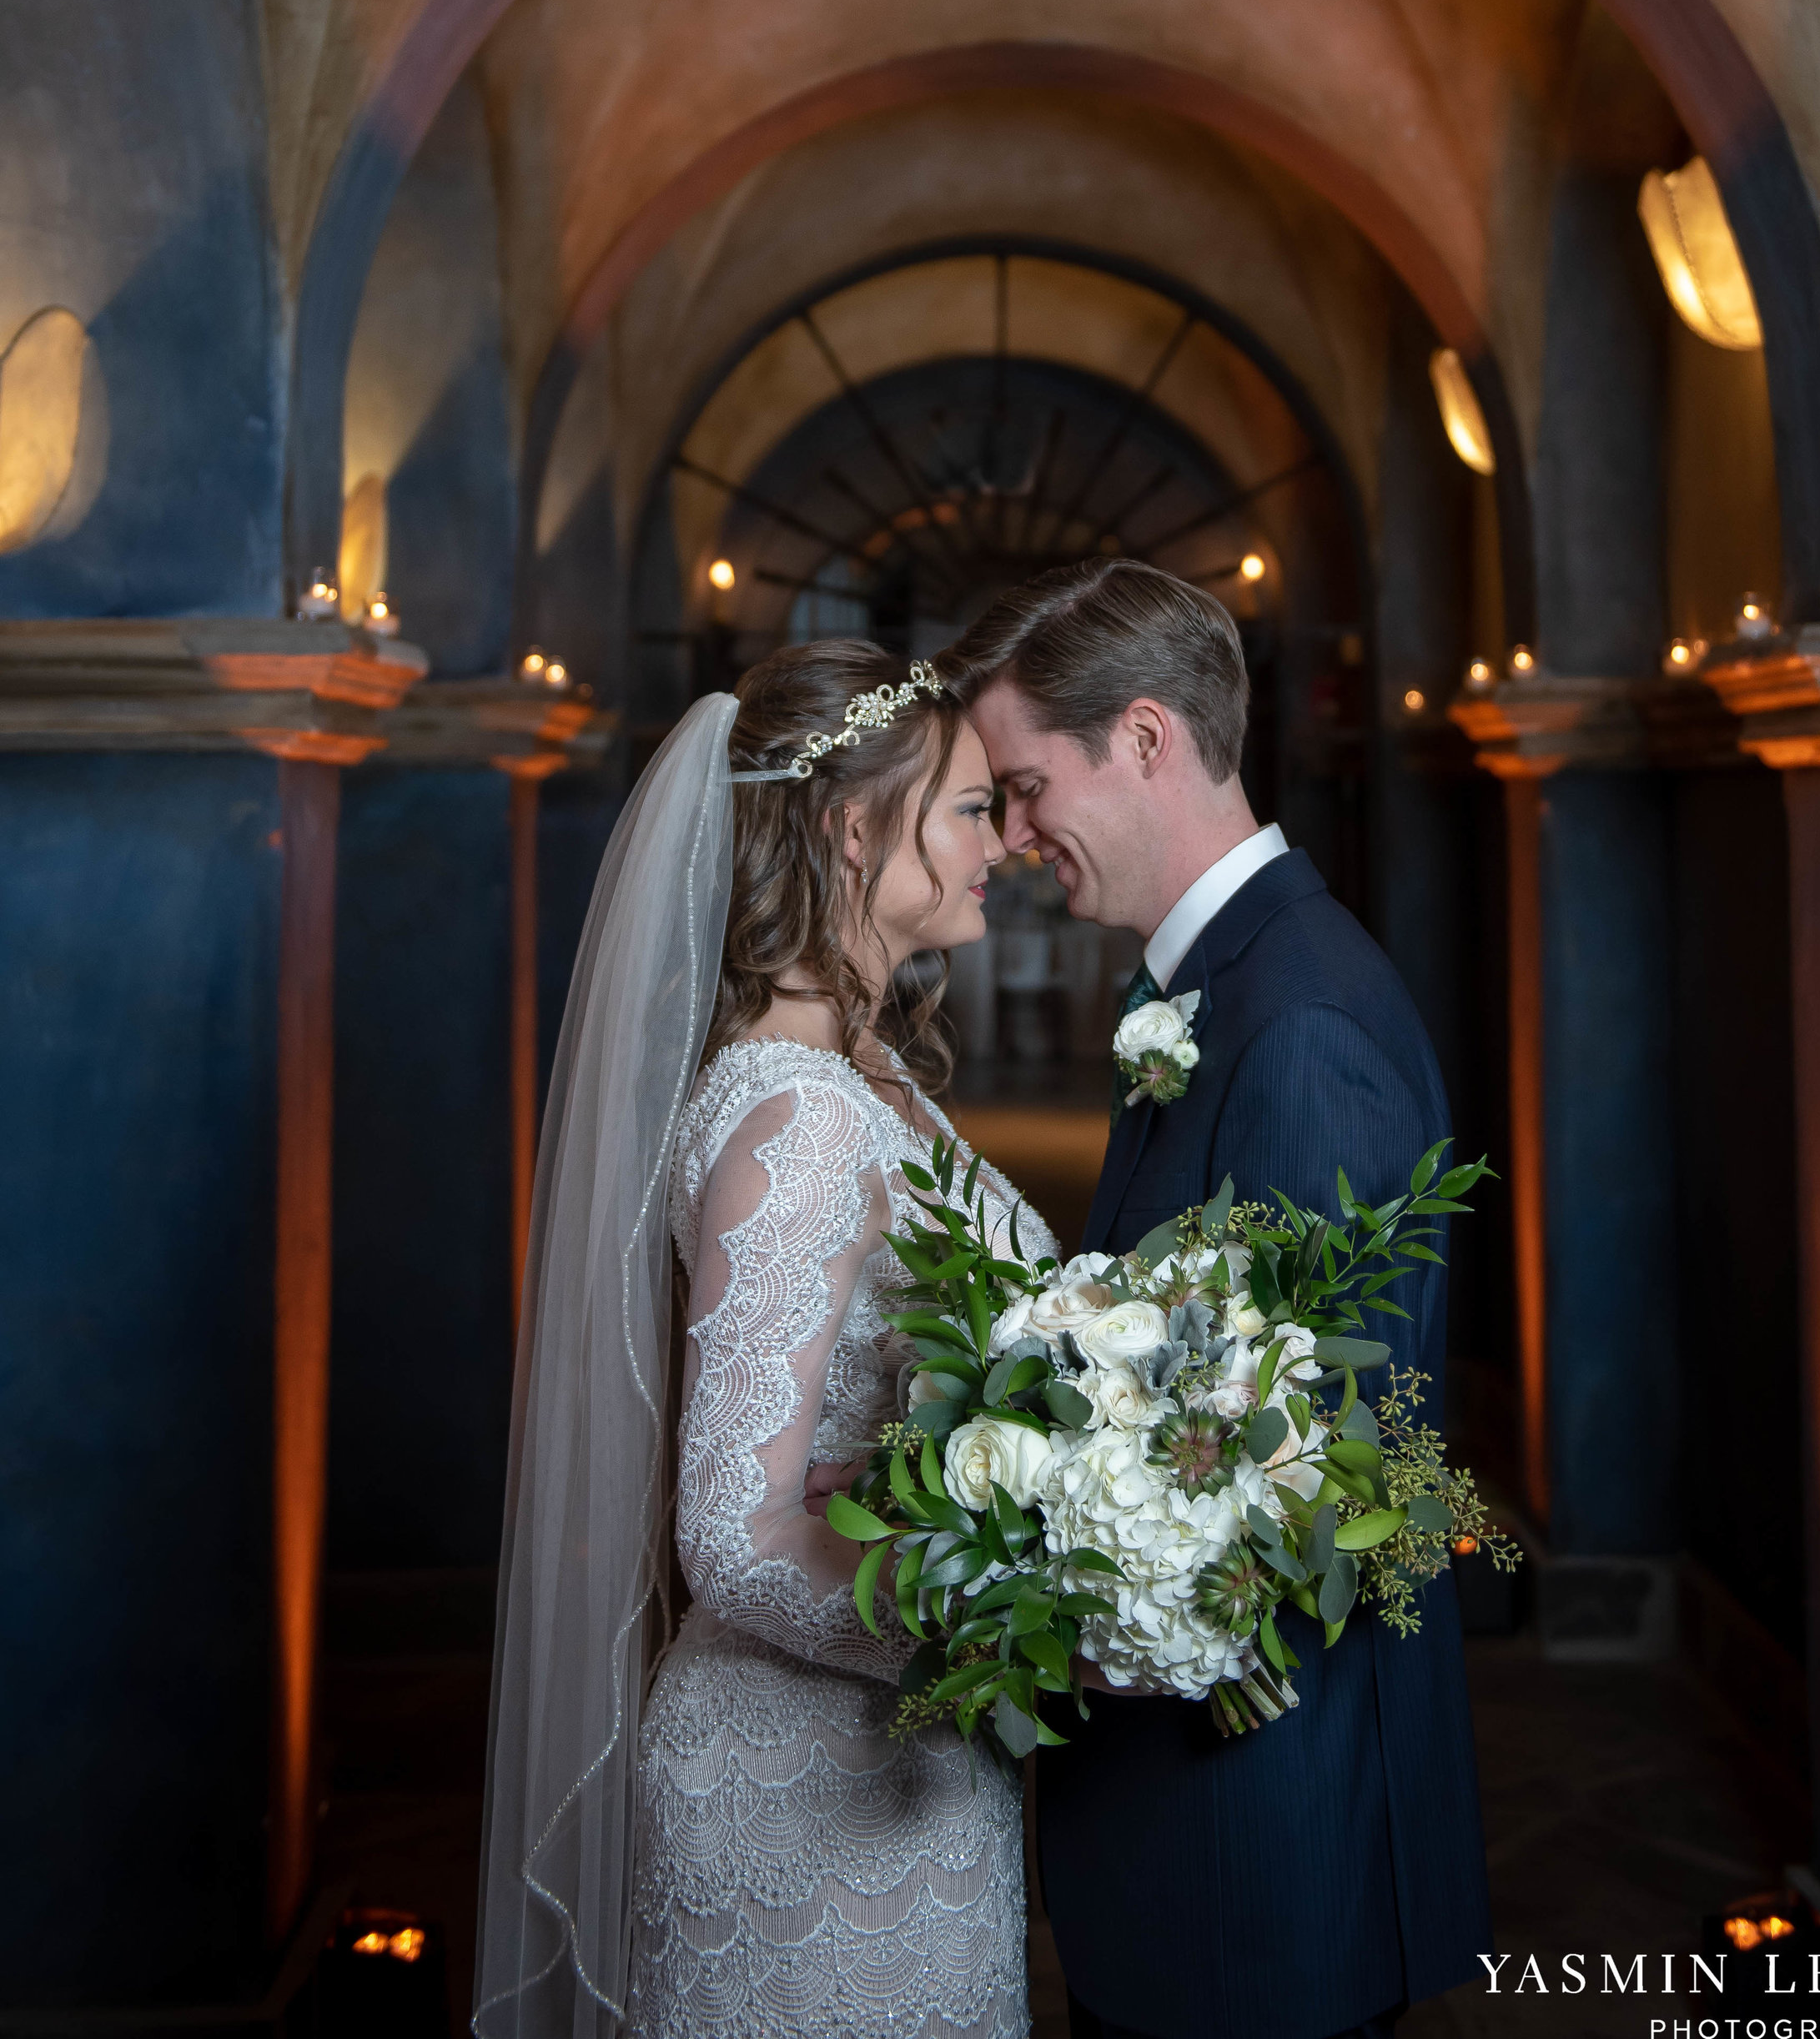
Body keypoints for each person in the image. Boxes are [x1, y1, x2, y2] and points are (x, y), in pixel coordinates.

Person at [947, 558, 1491, 2039]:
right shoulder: (1210, 986)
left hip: (1263, 1845)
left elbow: (1325, 1473)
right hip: (1201, 1838)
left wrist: (1004, 1585)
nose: (1012, 833)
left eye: (1024, 783)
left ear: (1143, 739)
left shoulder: (1298, 1017)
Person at [475, 640, 1051, 2039]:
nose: (1006, 841)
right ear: (855, 827)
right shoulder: (792, 1121)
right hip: (804, 1795)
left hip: (905, 1777)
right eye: (972, 808)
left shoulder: (871, 1069)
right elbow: (732, 1536)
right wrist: (1004, 1639)